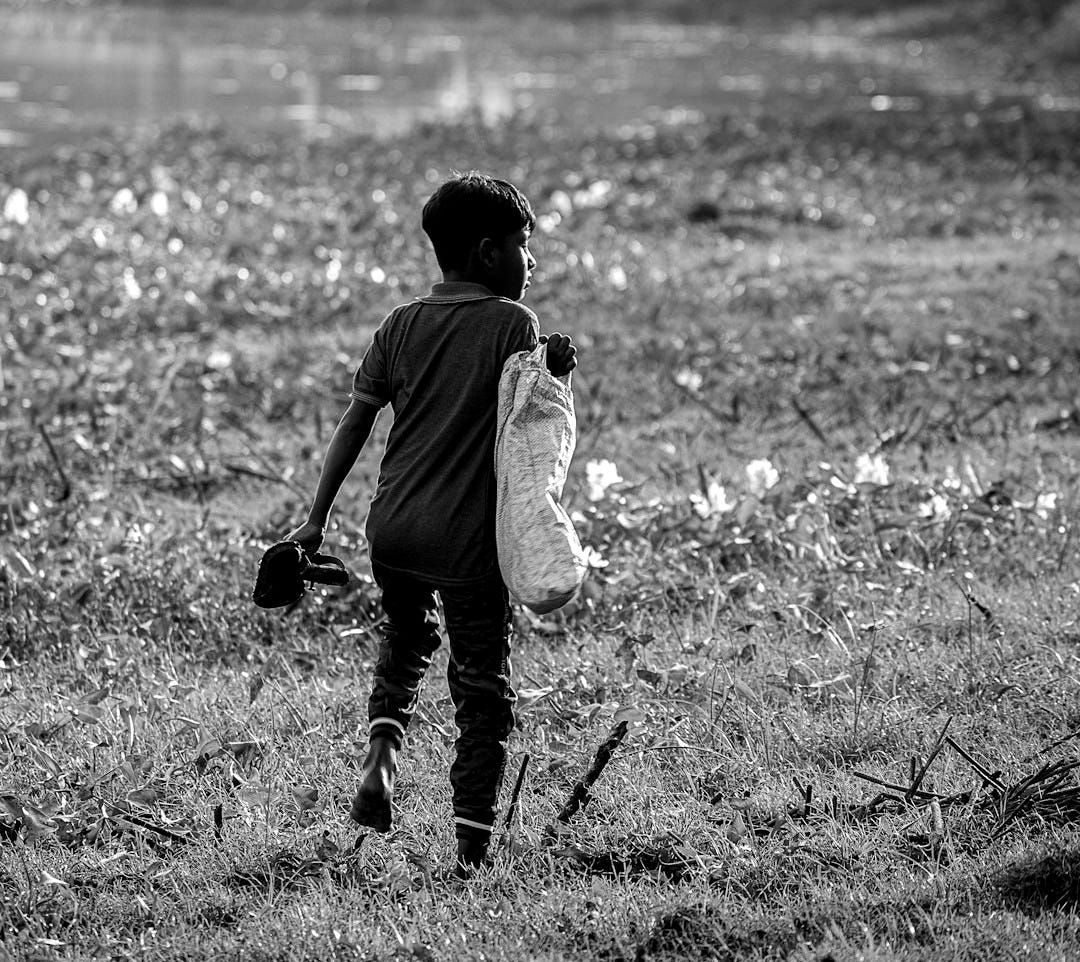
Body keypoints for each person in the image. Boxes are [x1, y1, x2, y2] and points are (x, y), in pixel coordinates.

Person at [285, 171, 577, 877]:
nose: (529, 263)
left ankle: (382, 756)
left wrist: (314, 521)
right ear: (485, 252)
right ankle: (472, 855)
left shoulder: (400, 323)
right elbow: (528, 428)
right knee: (482, 691)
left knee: (406, 641)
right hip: (466, 543)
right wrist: (555, 367)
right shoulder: (514, 325)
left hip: (394, 532)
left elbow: (356, 422)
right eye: (521, 246)